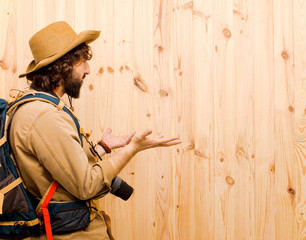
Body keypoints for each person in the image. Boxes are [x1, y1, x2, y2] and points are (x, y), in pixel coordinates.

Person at [8, 21, 181, 240]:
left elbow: (58, 168)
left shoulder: (34, 108)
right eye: (82, 61)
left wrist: (101, 147)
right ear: (63, 65)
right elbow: (86, 186)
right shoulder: (46, 116)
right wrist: (132, 149)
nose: (88, 70)